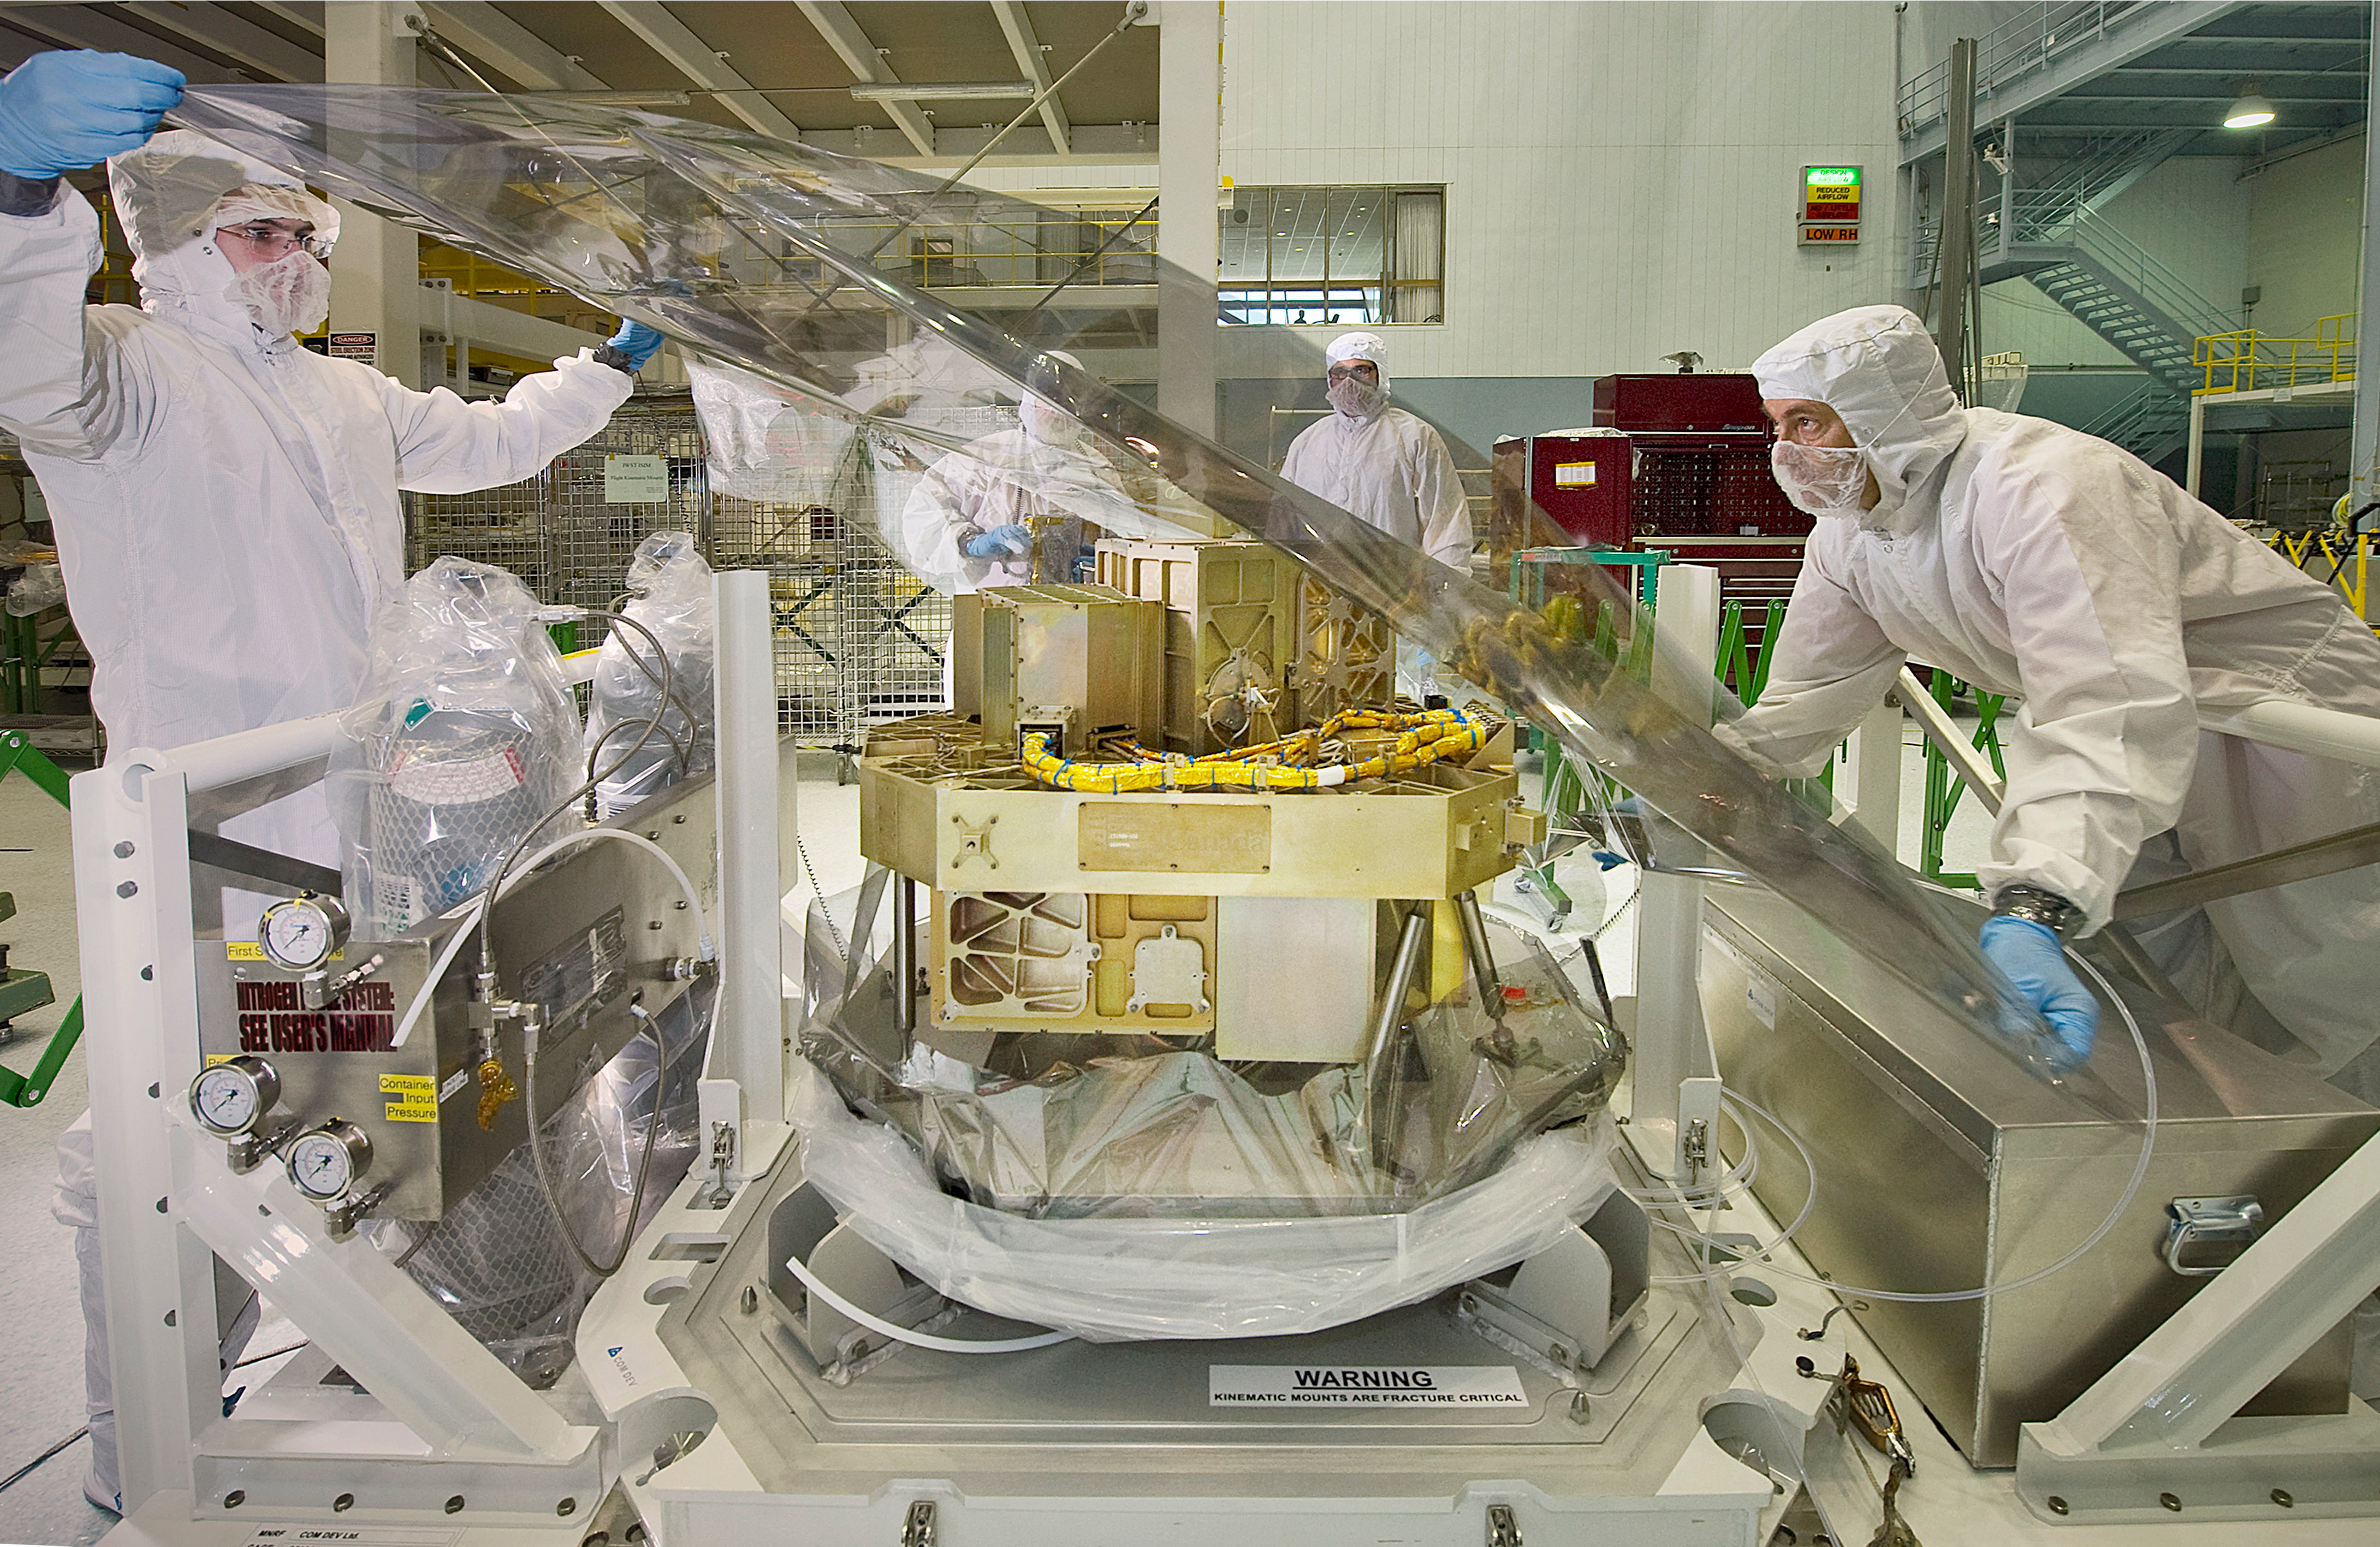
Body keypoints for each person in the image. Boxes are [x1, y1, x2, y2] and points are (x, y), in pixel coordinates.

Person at [0, 48, 666, 1513]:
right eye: (258, 233)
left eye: (305, 235)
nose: (293, 261)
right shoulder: (120, 378)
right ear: (168, 237)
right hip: (195, 837)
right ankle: (139, 1476)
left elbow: (495, 438)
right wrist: (16, 187)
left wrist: (614, 360)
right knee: (159, 1142)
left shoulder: (339, 398)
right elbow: (20, 348)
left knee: (347, 1098)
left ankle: (328, 1357)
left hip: (359, 827)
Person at [1732, 303, 2380, 1096]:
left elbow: (2104, 700)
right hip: (2144, 734)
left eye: (1807, 423)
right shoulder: (1852, 532)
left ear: (1878, 413)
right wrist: (1707, 774)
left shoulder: (2041, 487)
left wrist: (2035, 899)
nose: (1786, 453)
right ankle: (2238, 1150)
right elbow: (1812, 689)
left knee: (2327, 973)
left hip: (2284, 727)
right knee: (2156, 964)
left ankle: (2352, 1184)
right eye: (1776, 426)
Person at [898, 349, 1111, 590]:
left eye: (1069, 399)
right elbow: (924, 515)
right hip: (993, 606)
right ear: (1030, 399)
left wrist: (1107, 558)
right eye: (1050, 398)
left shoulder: (1095, 465)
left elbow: (1125, 529)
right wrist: (971, 543)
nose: (1059, 409)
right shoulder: (984, 457)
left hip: (1081, 606)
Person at [1277, 331, 1473, 570]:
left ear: (1381, 375)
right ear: (1330, 380)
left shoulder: (1415, 437)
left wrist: (1445, 593)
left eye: (1361, 370)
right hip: (1320, 585)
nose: (1349, 381)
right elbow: (1284, 520)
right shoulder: (1307, 443)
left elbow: (1446, 523)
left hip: (1393, 585)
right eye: (1340, 372)